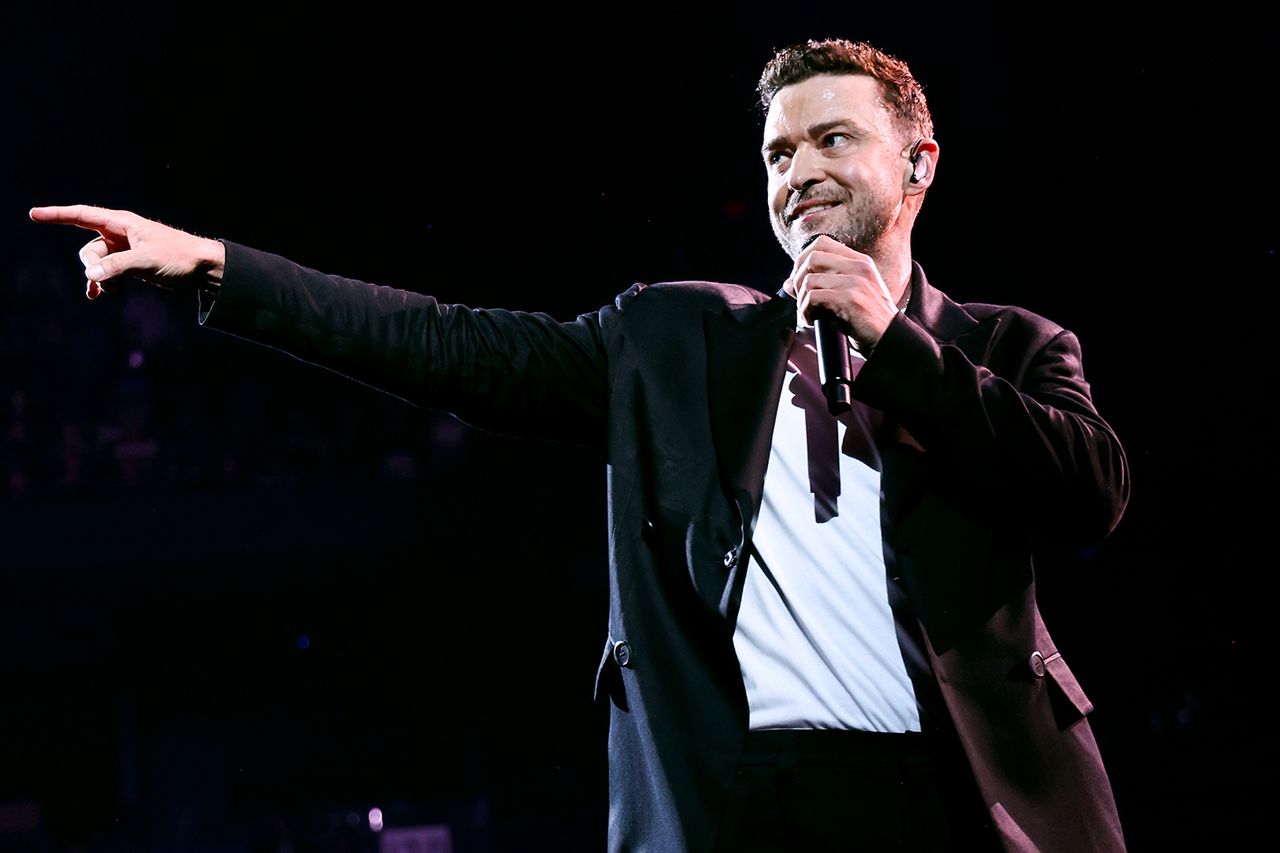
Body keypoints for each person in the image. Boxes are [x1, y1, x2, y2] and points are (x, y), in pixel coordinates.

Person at [30, 37, 1129, 853]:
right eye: (776, 152)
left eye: (831, 138)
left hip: (955, 796)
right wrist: (216, 265)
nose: (796, 170)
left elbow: (1088, 493)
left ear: (918, 163)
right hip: (740, 797)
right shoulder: (674, 342)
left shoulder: (1009, 347)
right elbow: (445, 344)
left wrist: (893, 347)